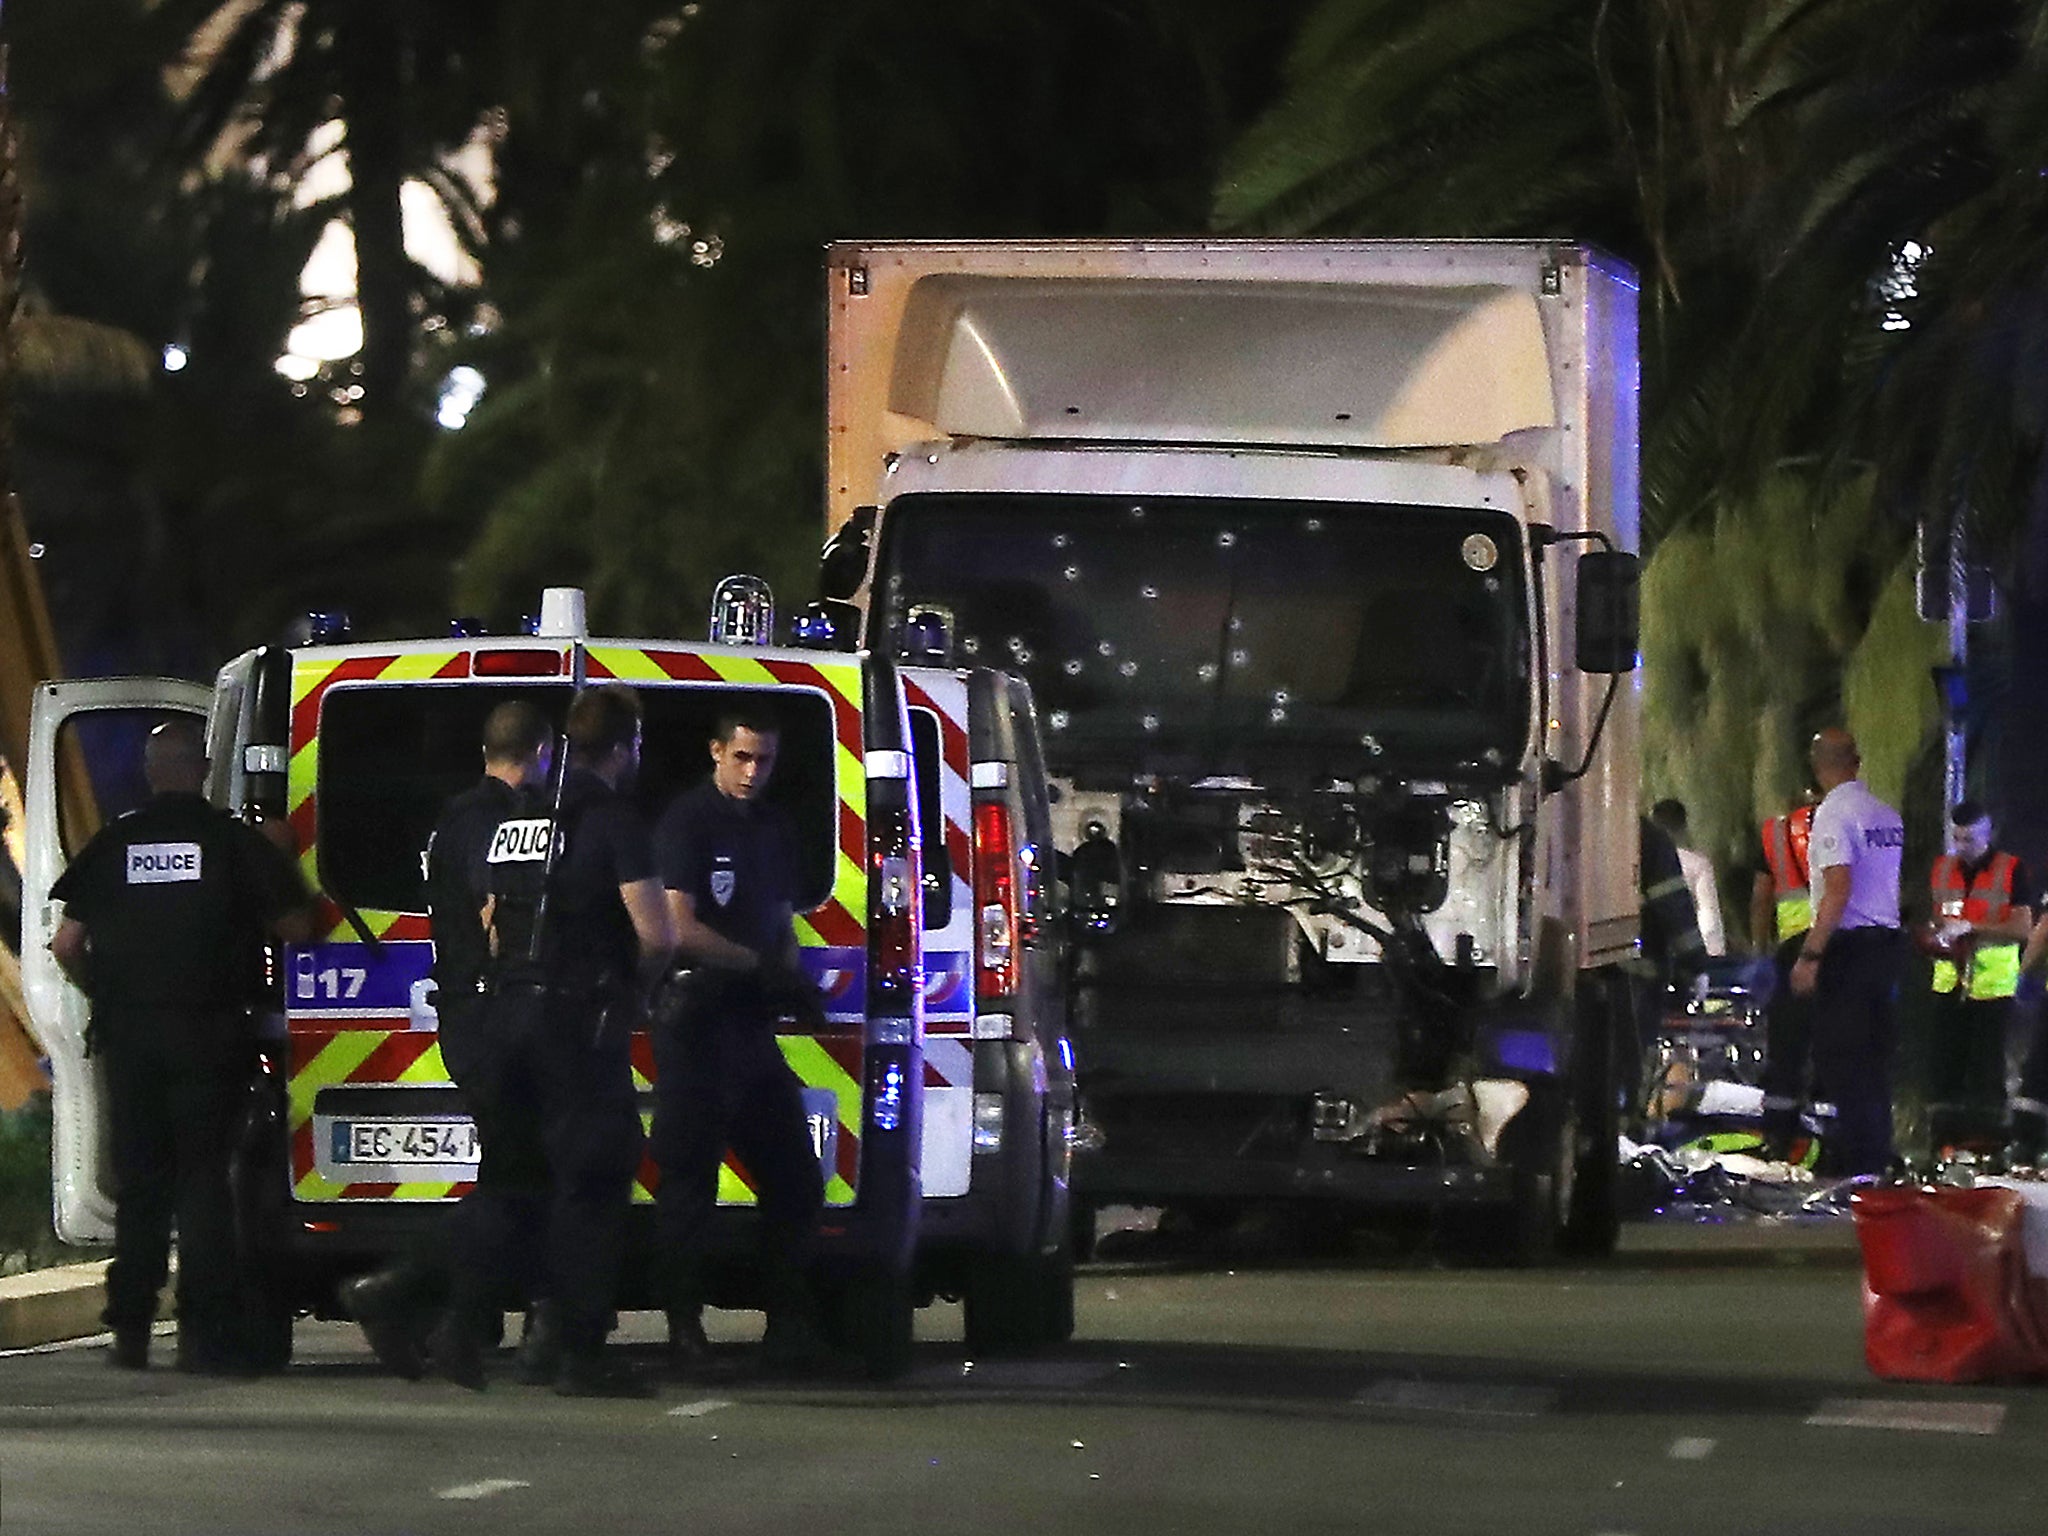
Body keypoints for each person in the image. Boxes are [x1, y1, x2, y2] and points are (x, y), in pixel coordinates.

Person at [426, 682, 673, 1397]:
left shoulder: (520, 821)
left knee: (514, 1181)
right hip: (576, 1022)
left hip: (507, 1017)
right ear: (626, 749)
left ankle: (458, 1326)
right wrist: (636, 989)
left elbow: (492, 917)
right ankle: (578, 1351)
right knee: (593, 1181)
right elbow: (656, 934)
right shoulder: (614, 818)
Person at [47, 719, 311, 1372]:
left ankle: (130, 1329)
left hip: (132, 1039)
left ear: (149, 771)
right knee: (203, 1183)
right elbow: (298, 929)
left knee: (142, 1184)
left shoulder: (117, 842)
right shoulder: (230, 842)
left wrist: (104, 994)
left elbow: (65, 944)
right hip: (210, 1034)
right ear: (201, 768)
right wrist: (279, 863)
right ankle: (205, 1332)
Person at [344, 700, 556, 1380]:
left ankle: (458, 1322)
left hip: (472, 1017)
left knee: (513, 1181)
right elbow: (498, 913)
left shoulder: (457, 816)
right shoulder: (496, 821)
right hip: (493, 1018)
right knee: (515, 1186)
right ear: (543, 752)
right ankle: (399, 1291)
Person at [650, 702, 832, 1377]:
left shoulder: (773, 827)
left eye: (765, 760)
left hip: (751, 1028)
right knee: (688, 1187)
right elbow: (678, 927)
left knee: (795, 1182)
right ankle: (684, 1330)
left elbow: (780, 916)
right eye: (742, 757)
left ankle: (787, 1325)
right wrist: (760, 966)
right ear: (716, 752)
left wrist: (792, 979)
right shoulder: (689, 821)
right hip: (696, 1023)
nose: (754, 771)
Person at [1788, 728, 1906, 1177]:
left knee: (1843, 1058)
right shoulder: (1885, 815)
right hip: (1886, 946)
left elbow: (1838, 888)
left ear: (1817, 768)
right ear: (1856, 762)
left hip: (1850, 950)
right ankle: (1878, 1156)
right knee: (1875, 1060)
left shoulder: (1833, 817)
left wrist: (1811, 955)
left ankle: (1857, 1164)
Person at [1916, 801, 2033, 1159]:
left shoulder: (2010, 870)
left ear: (1987, 833)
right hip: (1949, 985)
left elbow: (2022, 927)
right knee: (1943, 1070)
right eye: (1957, 838)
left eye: (1969, 838)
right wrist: (1935, 937)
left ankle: (1989, 1149)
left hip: (1991, 989)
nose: (1962, 846)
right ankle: (1943, 1148)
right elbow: (1936, 917)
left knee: (1987, 1074)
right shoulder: (1942, 869)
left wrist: (1973, 928)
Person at [1750, 792, 1818, 1161]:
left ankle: (1778, 1137)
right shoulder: (1846, 826)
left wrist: (1761, 952)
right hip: (1838, 949)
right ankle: (1828, 1139)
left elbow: (1761, 897)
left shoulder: (1775, 834)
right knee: (1832, 1046)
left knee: (1785, 1050)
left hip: (1789, 950)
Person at [1650, 798, 1726, 957]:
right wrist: (1713, 953)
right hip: (1687, 951)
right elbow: (1708, 915)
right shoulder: (1698, 865)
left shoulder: (1641, 862)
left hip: (1655, 951)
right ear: (1683, 827)